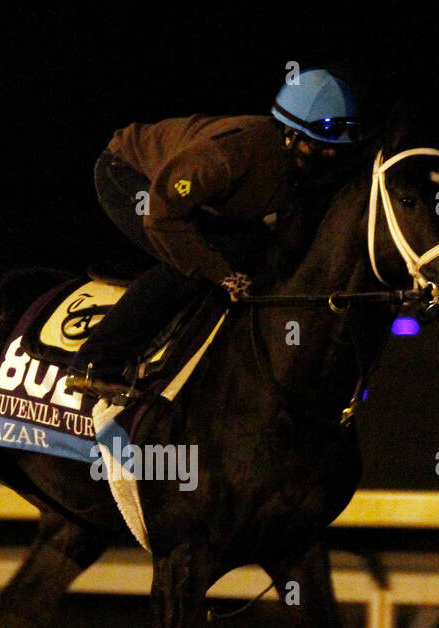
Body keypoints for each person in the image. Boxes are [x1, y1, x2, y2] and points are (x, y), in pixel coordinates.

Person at [66, 67, 370, 402]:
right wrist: (222, 276)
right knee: (187, 267)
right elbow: (162, 218)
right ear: (289, 134)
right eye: (317, 145)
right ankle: (94, 363)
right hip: (131, 177)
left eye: (336, 149)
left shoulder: (306, 167)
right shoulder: (233, 151)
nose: (328, 155)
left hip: (197, 200)